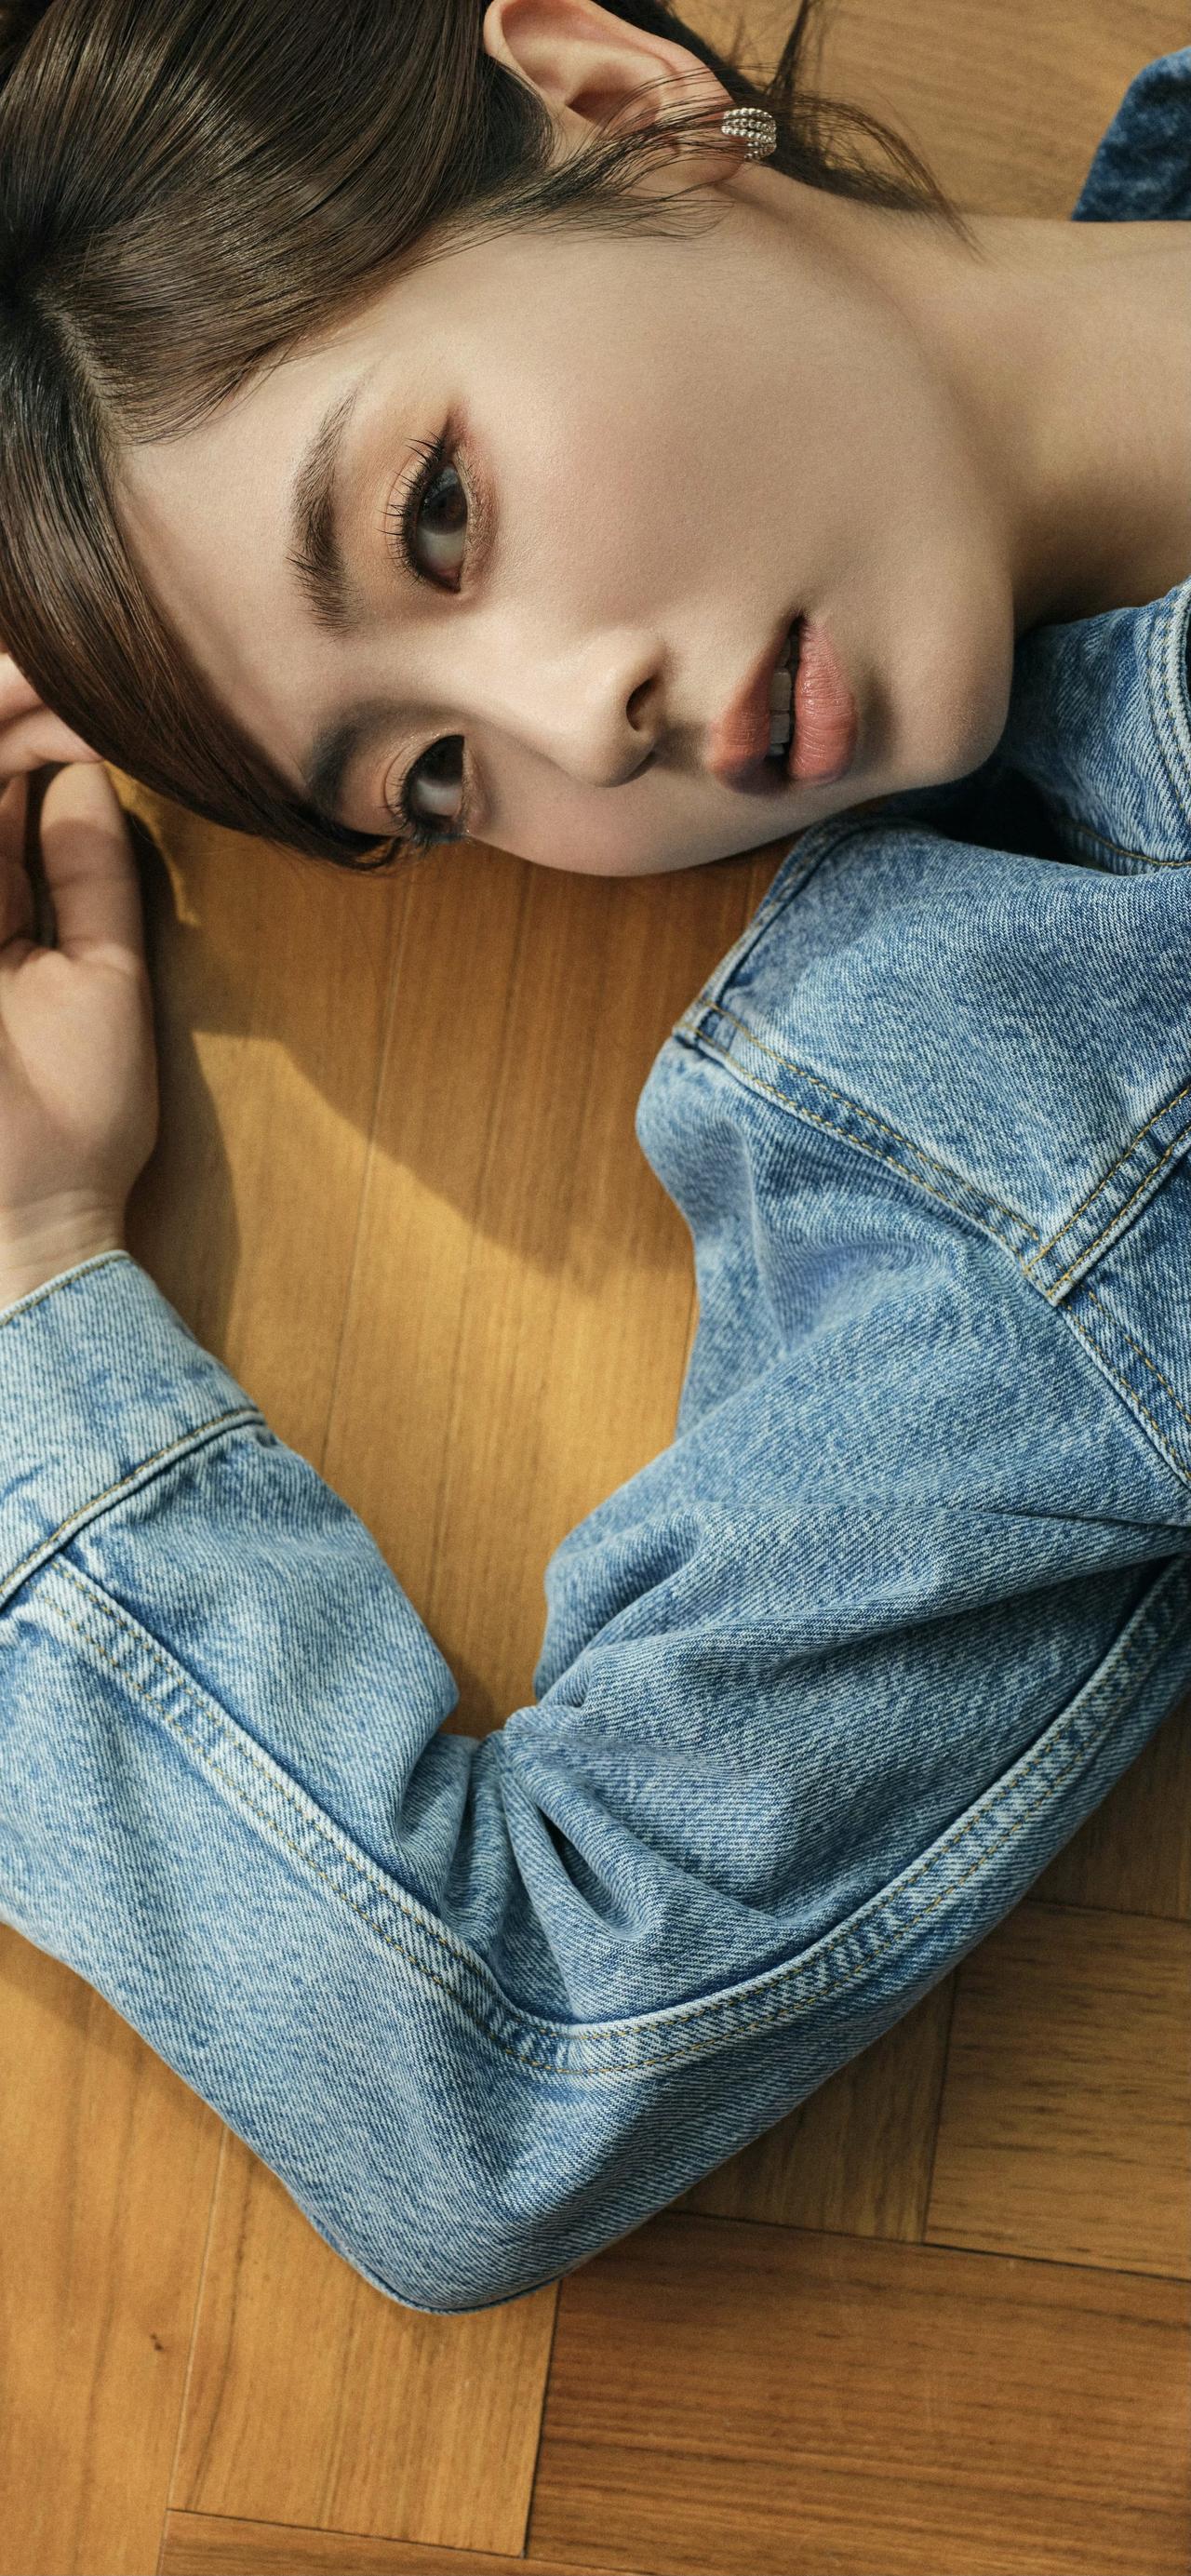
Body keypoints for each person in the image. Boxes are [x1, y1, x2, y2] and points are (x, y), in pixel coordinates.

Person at [0, 1, 1187, 2314]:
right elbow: (499, 2059)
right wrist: (30, 1271)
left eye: (434, 515)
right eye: (431, 783)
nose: (576, 724)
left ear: (610, 94)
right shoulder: (1018, 1076)